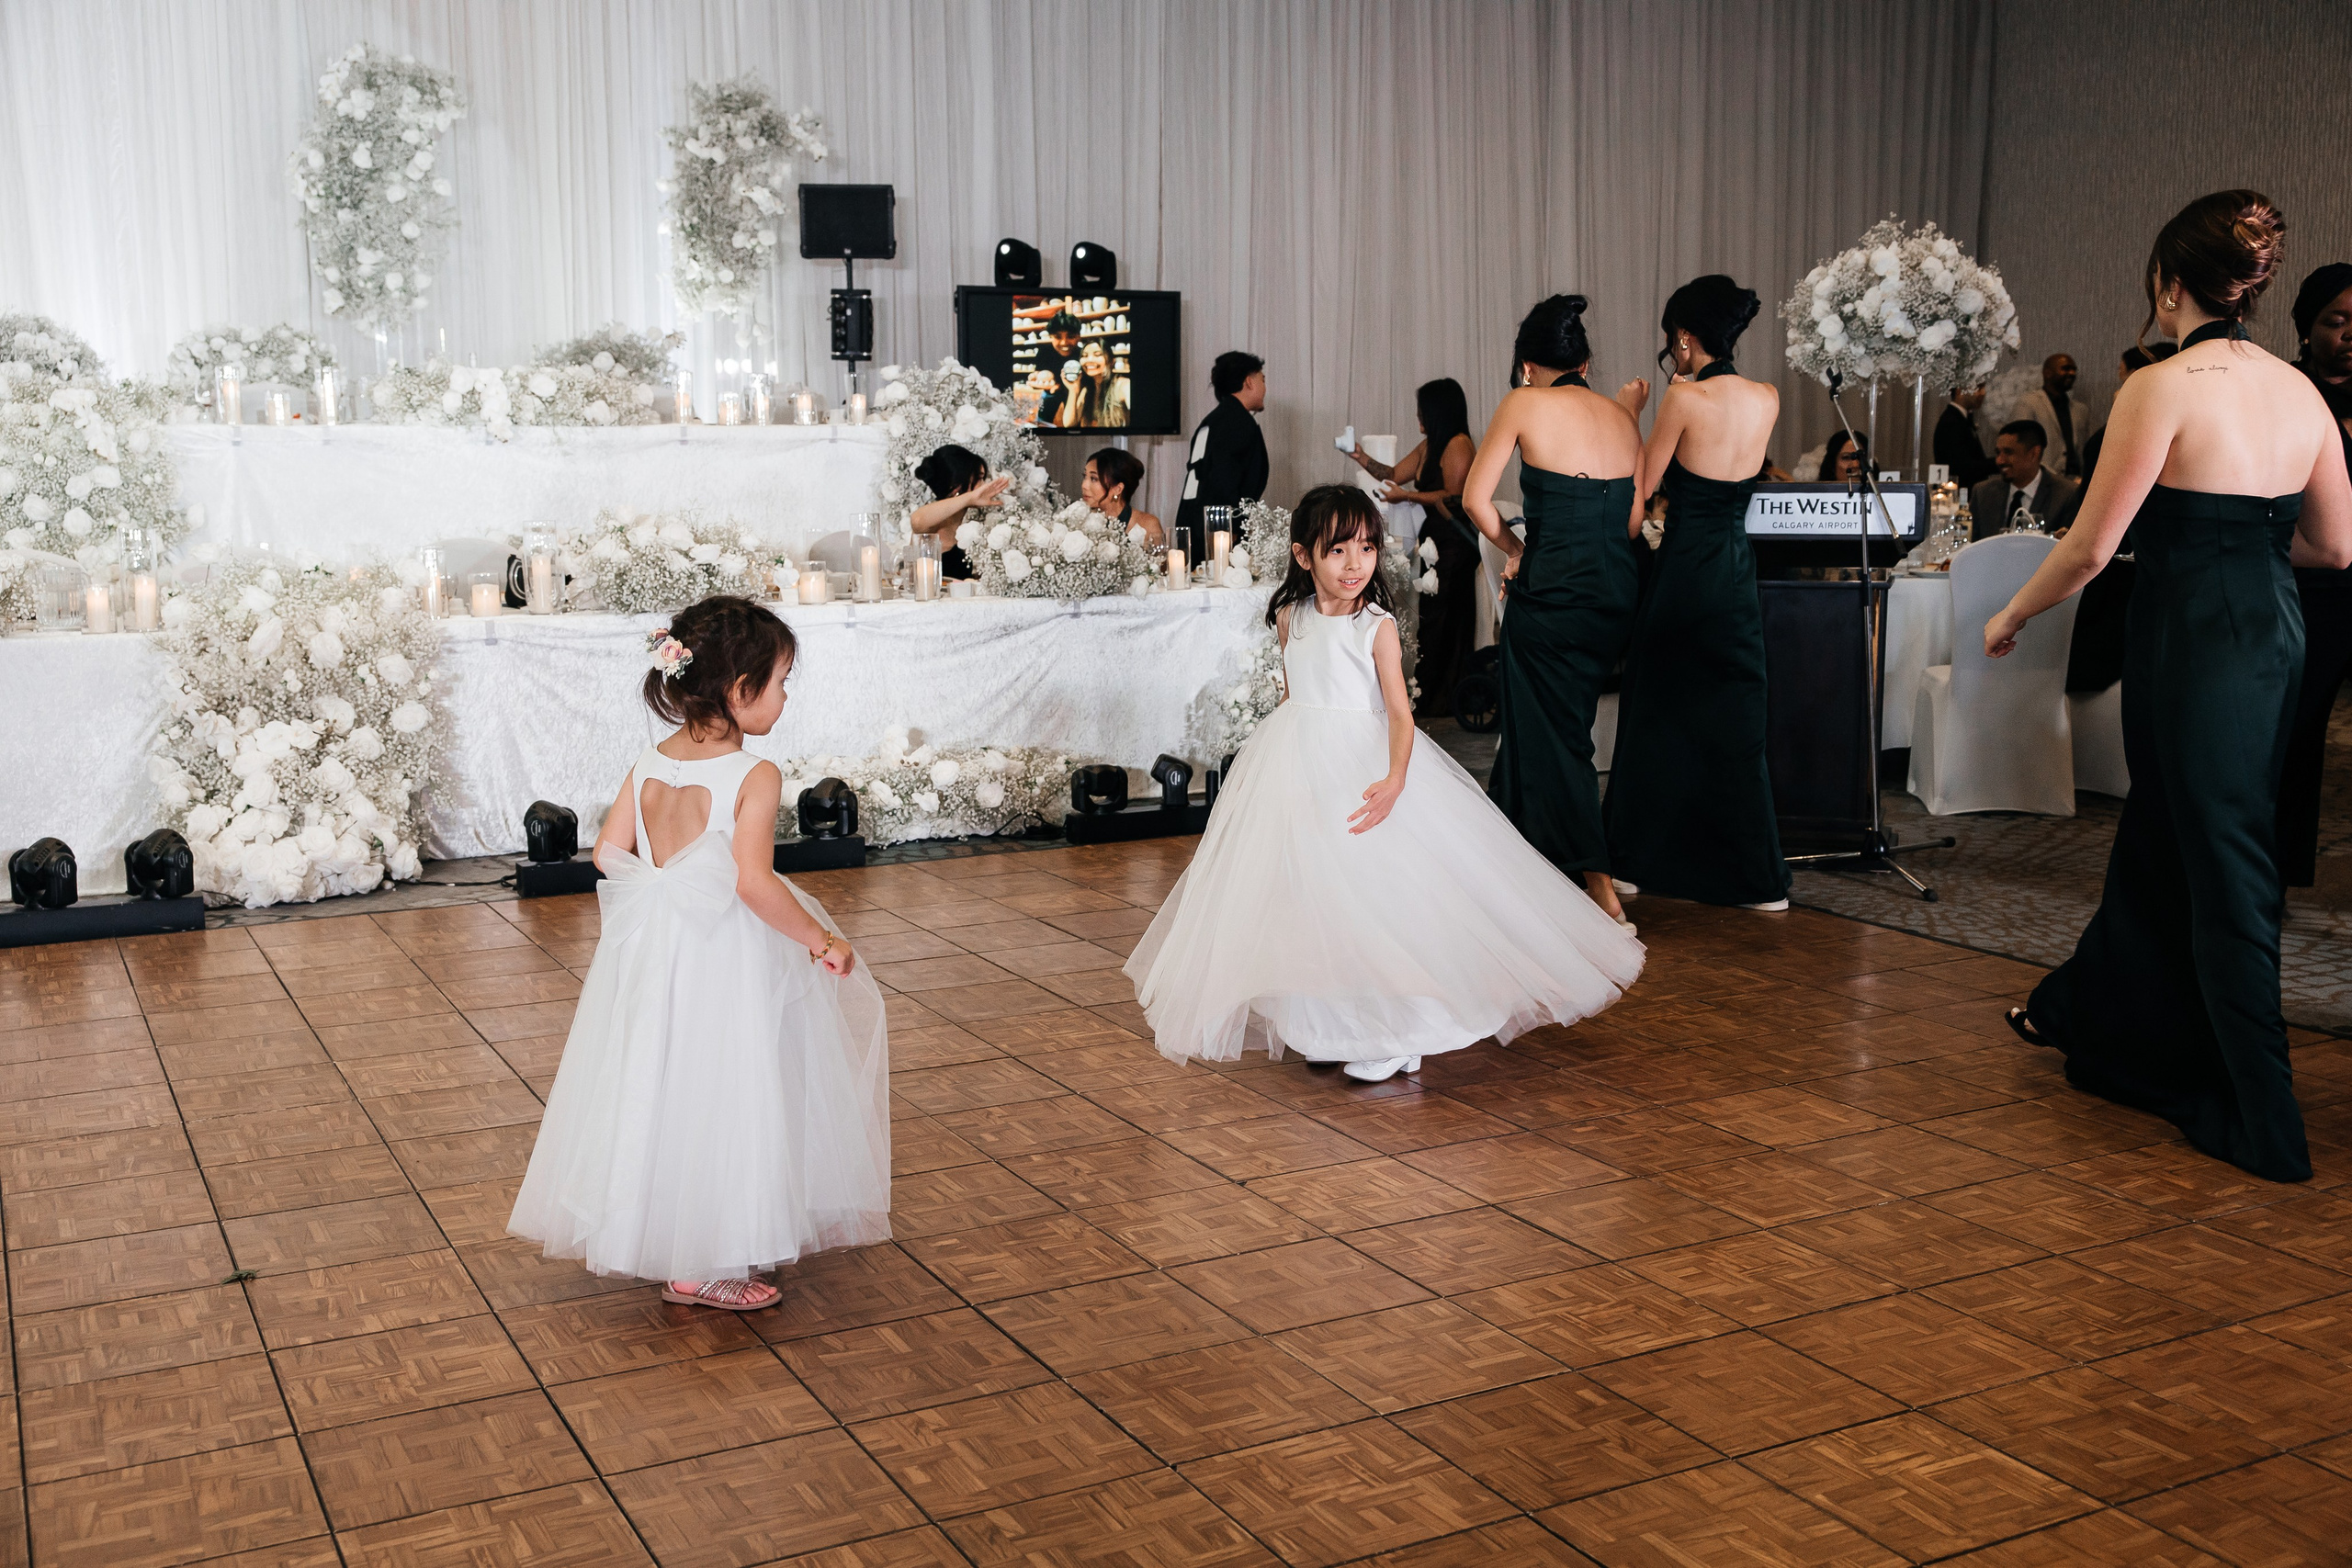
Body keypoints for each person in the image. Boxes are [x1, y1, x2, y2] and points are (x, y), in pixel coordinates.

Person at [1988, 191, 2352, 1183]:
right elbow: (2333, 544)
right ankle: (2094, 1020)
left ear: (2165, 285)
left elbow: (2089, 547)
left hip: (2191, 639)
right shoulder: (2299, 391)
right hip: (2270, 632)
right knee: (2167, 829)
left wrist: (2010, 612)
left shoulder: (2159, 385)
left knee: (2224, 858)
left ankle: (2260, 1114)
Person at [1123, 485, 1643, 1083]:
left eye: (1366, 548)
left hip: (1368, 765)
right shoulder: (1291, 617)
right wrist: (1283, 769)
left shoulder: (1378, 625)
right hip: (1298, 761)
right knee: (1314, 894)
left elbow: (1399, 713)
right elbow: (1294, 698)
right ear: (1303, 556)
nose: (1354, 563)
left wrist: (1397, 777)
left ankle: (1400, 1030)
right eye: (1338, 549)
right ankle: (1327, 1023)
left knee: (1378, 896)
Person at [508, 596, 892, 1304]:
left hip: (660, 955)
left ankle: (667, 1239)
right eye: (780, 682)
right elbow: (751, 882)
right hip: (725, 958)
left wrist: (662, 893)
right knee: (728, 1086)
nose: (784, 696)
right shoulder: (756, 774)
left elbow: (605, 852)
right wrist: (820, 938)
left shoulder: (648, 761)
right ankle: (705, 1259)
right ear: (740, 690)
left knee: (662, 1084)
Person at [1606, 275, 1790, 911]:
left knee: (1655, 712)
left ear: (1685, 339)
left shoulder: (1684, 399)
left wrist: (1627, 416)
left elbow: (1640, 498)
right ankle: (1759, 881)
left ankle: (1631, 862)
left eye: (1670, 339)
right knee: (1735, 719)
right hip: (1736, 571)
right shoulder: (1767, 397)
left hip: (1685, 570)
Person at [1463, 297, 1643, 925]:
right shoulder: (1622, 417)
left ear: (1528, 366)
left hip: (1554, 591)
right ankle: (1511, 863)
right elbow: (1633, 519)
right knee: (1544, 723)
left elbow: (1475, 500)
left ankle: (1598, 882)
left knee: (1558, 733)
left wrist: (1517, 547)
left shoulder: (1524, 401)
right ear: (1586, 363)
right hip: (1615, 592)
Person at [2277, 260, 2352, 886]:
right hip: (2309, 590)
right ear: (2307, 328)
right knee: (2296, 734)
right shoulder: (2285, 394)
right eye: (2338, 320)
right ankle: (2280, 870)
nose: (2351, 332)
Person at [1349, 378, 1478, 717]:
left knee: (1448, 619)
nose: (1418, 417)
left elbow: (1454, 495)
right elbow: (1393, 473)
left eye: (1423, 411)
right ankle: (1431, 695)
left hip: (1455, 542)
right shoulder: (1428, 446)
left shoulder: (1459, 444)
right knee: (1433, 619)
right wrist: (1359, 455)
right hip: (1434, 542)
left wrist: (1406, 496)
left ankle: (1447, 699)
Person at [1175, 351, 1270, 546]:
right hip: (1217, 534)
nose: (1265, 388)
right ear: (1249, 382)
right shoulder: (1238, 422)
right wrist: (1231, 529)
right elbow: (1223, 479)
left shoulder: (1211, 421)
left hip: (1191, 524)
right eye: (1262, 380)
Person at [909, 444, 1012, 579]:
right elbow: (917, 520)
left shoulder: (972, 519)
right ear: (957, 483)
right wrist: (970, 498)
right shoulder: (932, 519)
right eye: (979, 478)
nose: (984, 486)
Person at [1969, 421, 2076, 539]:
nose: (2000, 460)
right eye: (1998, 453)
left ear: (2033, 454)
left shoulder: (2065, 495)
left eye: (2008, 452)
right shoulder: (1983, 493)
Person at [2017, 353, 2090, 478]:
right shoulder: (2028, 403)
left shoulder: (2081, 409)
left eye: (2074, 370)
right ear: (2048, 373)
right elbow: (2020, 446)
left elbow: (2086, 448)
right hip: (2042, 481)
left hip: (2076, 482)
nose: (2072, 373)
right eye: (2066, 369)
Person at [1081, 446, 1161, 551]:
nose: (1084, 485)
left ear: (1118, 489)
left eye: (1094, 479)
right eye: (1084, 476)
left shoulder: (1147, 525)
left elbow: (1161, 565)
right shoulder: (1078, 522)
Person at [1058, 338, 1130, 429]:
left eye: (1097, 355)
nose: (1090, 360)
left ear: (1112, 361)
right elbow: (1069, 424)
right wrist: (1073, 390)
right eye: (1084, 356)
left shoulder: (1122, 385)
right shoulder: (1087, 390)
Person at [1029, 309, 1084, 425]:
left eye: (1070, 336)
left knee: (1075, 424)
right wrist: (1035, 378)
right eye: (1058, 337)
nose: (1064, 343)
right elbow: (1038, 374)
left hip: (1075, 390)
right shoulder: (1044, 352)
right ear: (1051, 337)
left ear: (1079, 336)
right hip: (1051, 391)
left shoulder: (1083, 355)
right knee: (1042, 423)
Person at [1936, 385, 1996, 488]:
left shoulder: (1961, 418)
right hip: (1959, 491)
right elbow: (1961, 466)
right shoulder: (1951, 422)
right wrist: (1998, 463)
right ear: (1960, 391)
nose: (1983, 392)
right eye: (1978, 387)